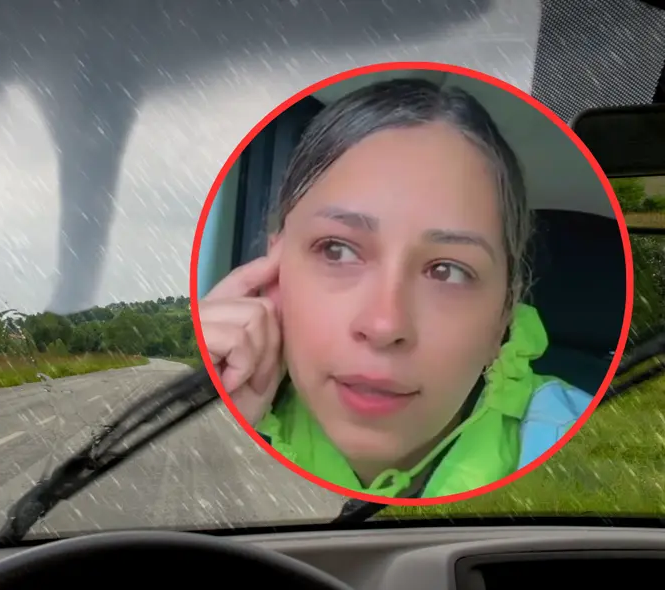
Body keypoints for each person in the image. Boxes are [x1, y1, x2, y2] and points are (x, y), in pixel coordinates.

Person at [199, 77, 594, 499]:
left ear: (503, 315)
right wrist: (212, 438)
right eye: (337, 250)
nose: (385, 325)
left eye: (447, 271)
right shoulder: (206, 419)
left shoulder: (593, 450)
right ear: (273, 270)